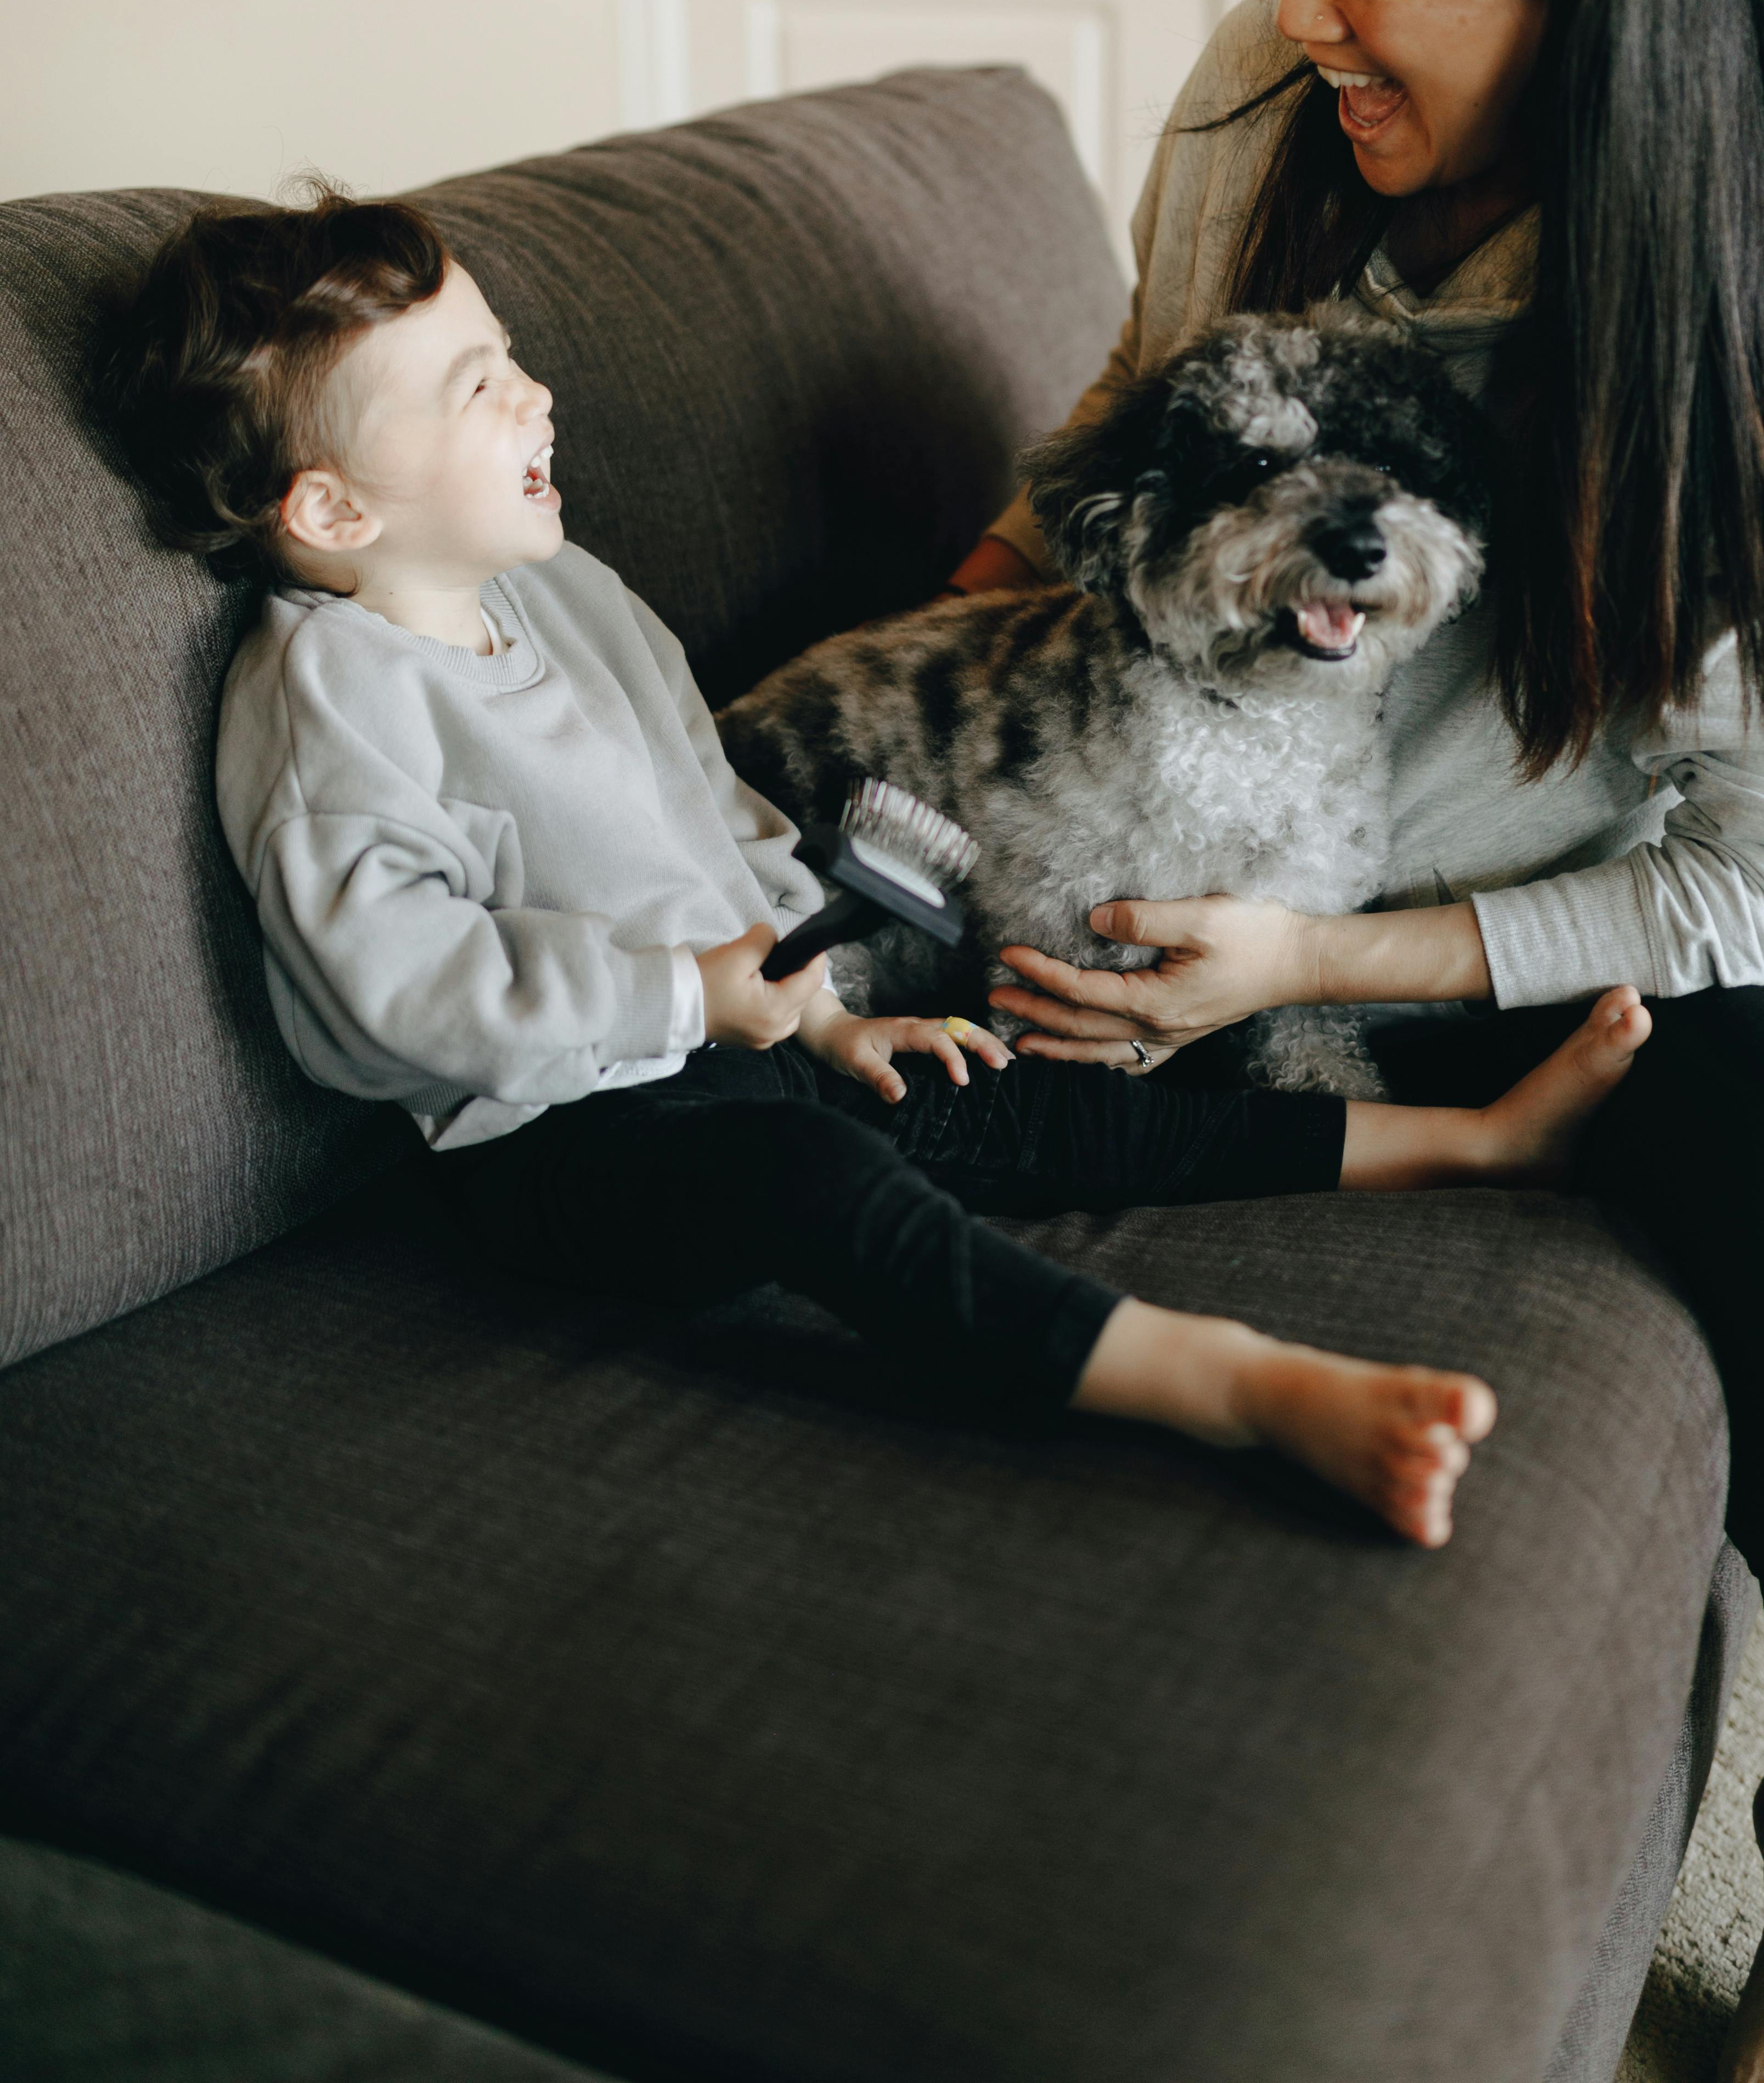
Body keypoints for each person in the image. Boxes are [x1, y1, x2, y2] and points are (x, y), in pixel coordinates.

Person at [951, 0, 1764, 2083]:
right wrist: (903, 668)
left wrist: (1308, 969)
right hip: (1217, 843)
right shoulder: (1259, 105)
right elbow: (1133, 413)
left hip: (1549, 934)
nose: (1294, 2)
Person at [93, 185, 1654, 1551]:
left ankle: (1474, 1145)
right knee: (815, 1181)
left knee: (1012, 1091)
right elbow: (399, 989)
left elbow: (710, 803)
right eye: (479, 387)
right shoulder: (329, 710)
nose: (539, 398)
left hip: (747, 1036)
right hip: (553, 1141)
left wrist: (822, 1002)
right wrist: (679, 997)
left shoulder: (562, 587)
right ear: (333, 506)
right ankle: (1228, 1385)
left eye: (515, 358)